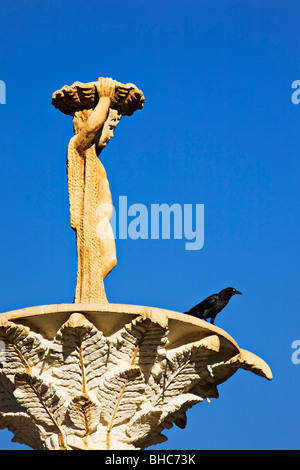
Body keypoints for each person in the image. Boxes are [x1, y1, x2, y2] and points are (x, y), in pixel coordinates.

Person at [67, 77, 121, 303]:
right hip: (94, 220)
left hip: (103, 221)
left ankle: (90, 294)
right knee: (107, 260)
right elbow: (89, 131)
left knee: (110, 260)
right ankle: (88, 296)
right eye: (109, 127)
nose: (111, 135)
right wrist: (105, 99)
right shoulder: (78, 148)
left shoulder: (94, 159)